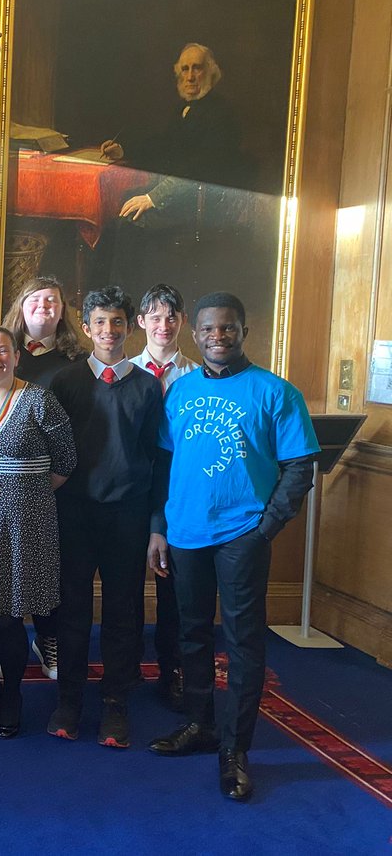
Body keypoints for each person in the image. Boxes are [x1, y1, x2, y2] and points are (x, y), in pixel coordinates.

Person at [148, 292, 318, 803]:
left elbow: (300, 467)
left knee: (244, 641)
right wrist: (159, 525)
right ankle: (200, 725)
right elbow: (163, 465)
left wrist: (264, 528)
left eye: (226, 328)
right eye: (207, 329)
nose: (216, 336)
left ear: (243, 331)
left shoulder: (275, 392)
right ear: (193, 334)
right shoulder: (178, 391)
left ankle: (234, 748)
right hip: (184, 533)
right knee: (192, 634)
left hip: (242, 534)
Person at [47, 287, 165, 749]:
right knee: (71, 609)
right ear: (88, 327)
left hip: (128, 515)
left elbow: (157, 457)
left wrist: (156, 524)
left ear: (128, 325)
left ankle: (116, 702)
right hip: (74, 513)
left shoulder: (146, 386)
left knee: (123, 612)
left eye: (117, 322)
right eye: (99, 322)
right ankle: (69, 700)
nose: (108, 331)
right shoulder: (66, 382)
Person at [0, 328, 76, 739]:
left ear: (16, 356)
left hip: (25, 524)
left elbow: (66, 461)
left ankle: (12, 695)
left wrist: (26, 492)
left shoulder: (39, 399)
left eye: (2, 350)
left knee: (8, 618)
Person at [100, 44, 250, 295]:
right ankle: (109, 292)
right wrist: (123, 150)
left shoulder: (221, 115)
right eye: (185, 69)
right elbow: (162, 147)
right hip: (184, 193)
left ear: (210, 72)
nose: (190, 76)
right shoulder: (183, 109)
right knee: (117, 204)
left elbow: (199, 169)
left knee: (130, 220)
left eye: (197, 68)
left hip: (204, 202)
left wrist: (152, 198)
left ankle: (124, 298)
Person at [1, 276, 85, 677]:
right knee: (9, 564)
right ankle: (9, 644)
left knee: (51, 569)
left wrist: (50, 480)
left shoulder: (76, 360)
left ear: (63, 310)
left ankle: (48, 638)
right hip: (3, 485)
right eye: (36, 300)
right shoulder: (3, 353)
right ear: (22, 305)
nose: (45, 307)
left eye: (53, 301)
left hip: (56, 482)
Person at [129, 283, 199, 711]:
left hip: (177, 492)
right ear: (141, 322)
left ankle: (171, 667)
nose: (163, 324)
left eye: (171, 316)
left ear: (183, 322)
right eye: (155, 316)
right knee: (124, 586)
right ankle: (128, 664)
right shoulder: (123, 372)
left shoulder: (196, 376)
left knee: (171, 585)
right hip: (130, 491)